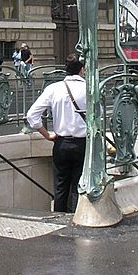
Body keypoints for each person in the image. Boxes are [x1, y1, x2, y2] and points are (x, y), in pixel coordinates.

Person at [25, 56, 87, 213]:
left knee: (60, 186)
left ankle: (59, 218)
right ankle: (76, 217)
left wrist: (47, 135)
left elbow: (32, 115)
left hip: (61, 143)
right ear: (82, 70)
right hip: (83, 143)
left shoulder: (54, 88)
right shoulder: (89, 88)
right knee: (79, 185)